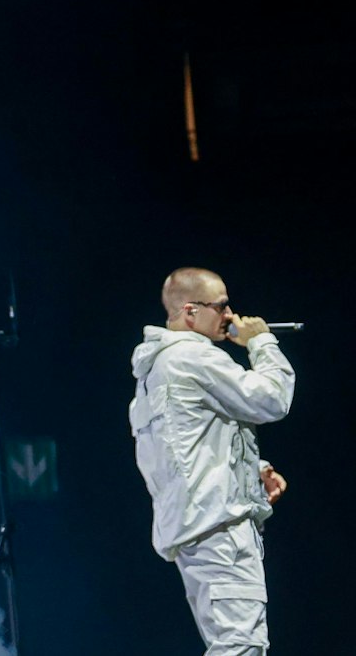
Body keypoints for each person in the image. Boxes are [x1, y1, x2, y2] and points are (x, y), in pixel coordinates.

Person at [130, 267, 294, 656]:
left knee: (232, 645)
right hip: (219, 527)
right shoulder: (193, 356)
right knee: (241, 646)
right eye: (220, 306)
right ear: (190, 311)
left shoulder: (155, 370)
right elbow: (272, 398)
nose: (230, 315)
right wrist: (262, 343)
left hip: (197, 527)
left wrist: (254, 470)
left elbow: (179, 449)